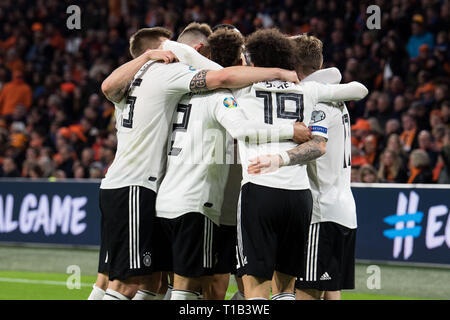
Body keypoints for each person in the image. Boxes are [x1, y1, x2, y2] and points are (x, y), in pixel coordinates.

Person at [90, 26, 300, 301]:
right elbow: (236, 112)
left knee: (146, 282)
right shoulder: (195, 84)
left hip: (156, 195)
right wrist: (284, 93)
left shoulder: (134, 82)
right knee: (186, 286)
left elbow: (107, 86)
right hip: (190, 200)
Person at [156, 26, 310, 301]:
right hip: (288, 194)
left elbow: (186, 52)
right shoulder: (307, 91)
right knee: (279, 287)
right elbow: (354, 89)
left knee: (216, 286)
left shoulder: (234, 88)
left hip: (231, 196)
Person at [234, 29, 368, 300]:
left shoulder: (316, 100)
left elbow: (318, 146)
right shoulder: (330, 96)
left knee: (303, 293)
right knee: (328, 293)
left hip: (320, 211)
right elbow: (360, 89)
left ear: (292, 65)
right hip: (341, 208)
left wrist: (279, 158)